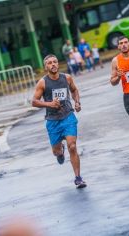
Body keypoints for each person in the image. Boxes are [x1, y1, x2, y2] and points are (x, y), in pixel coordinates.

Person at [32, 54, 86, 188]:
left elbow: (74, 90)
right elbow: (34, 101)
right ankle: (60, 151)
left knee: (72, 146)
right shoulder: (43, 82)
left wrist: (77, 102)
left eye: (55, 62)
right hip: (52, 121)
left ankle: (78, 178)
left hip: (68, 116)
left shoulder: (67, 78)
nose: (53, 64)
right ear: (46, 67)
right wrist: (50, 104)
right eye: (49, 63)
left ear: (58, 63)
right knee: (56, 152)